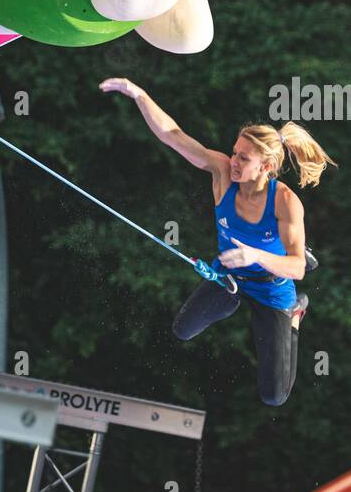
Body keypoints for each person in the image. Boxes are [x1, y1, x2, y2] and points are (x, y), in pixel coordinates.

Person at [99, 77, 335, 405]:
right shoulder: (223, 173)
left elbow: (296, 269)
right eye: (235, 153)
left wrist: (255, 255)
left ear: (266, 166)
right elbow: (173, 136)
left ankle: (295, 314)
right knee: (183, 330)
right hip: (230, 277)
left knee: (275, 396)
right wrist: (138, 93)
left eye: (243, 159)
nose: (233, 162)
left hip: (272, 288)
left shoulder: (284, 200)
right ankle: (238, 291)